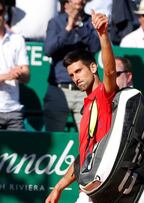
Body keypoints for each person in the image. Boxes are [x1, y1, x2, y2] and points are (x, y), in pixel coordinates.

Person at [45, 10, 117, 203]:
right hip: (88, 188)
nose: (76, 78)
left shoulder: (104, 95)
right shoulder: (87, 108)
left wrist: (103, 34)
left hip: (103, 187)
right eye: (71, 75)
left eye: (79, 71)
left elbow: (110, 71)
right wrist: (59, 187)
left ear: (93, 68)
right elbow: (84, 157)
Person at [43, 0, 101, 132]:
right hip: (59, 89)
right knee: (54, 137)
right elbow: (48, 49)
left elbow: (95, 47)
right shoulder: (56, 22)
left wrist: (79, 25)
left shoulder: (89, 21)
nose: (79, 1)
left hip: (84, 91)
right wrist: (68, 28)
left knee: (89, 137)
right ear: (66, 2)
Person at [0, 0, 29, 131]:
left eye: (0, 12)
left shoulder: (17, 39)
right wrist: (8, 75)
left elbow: (27, 77)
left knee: (21, 150)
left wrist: (20, 74)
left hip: (14, 111)